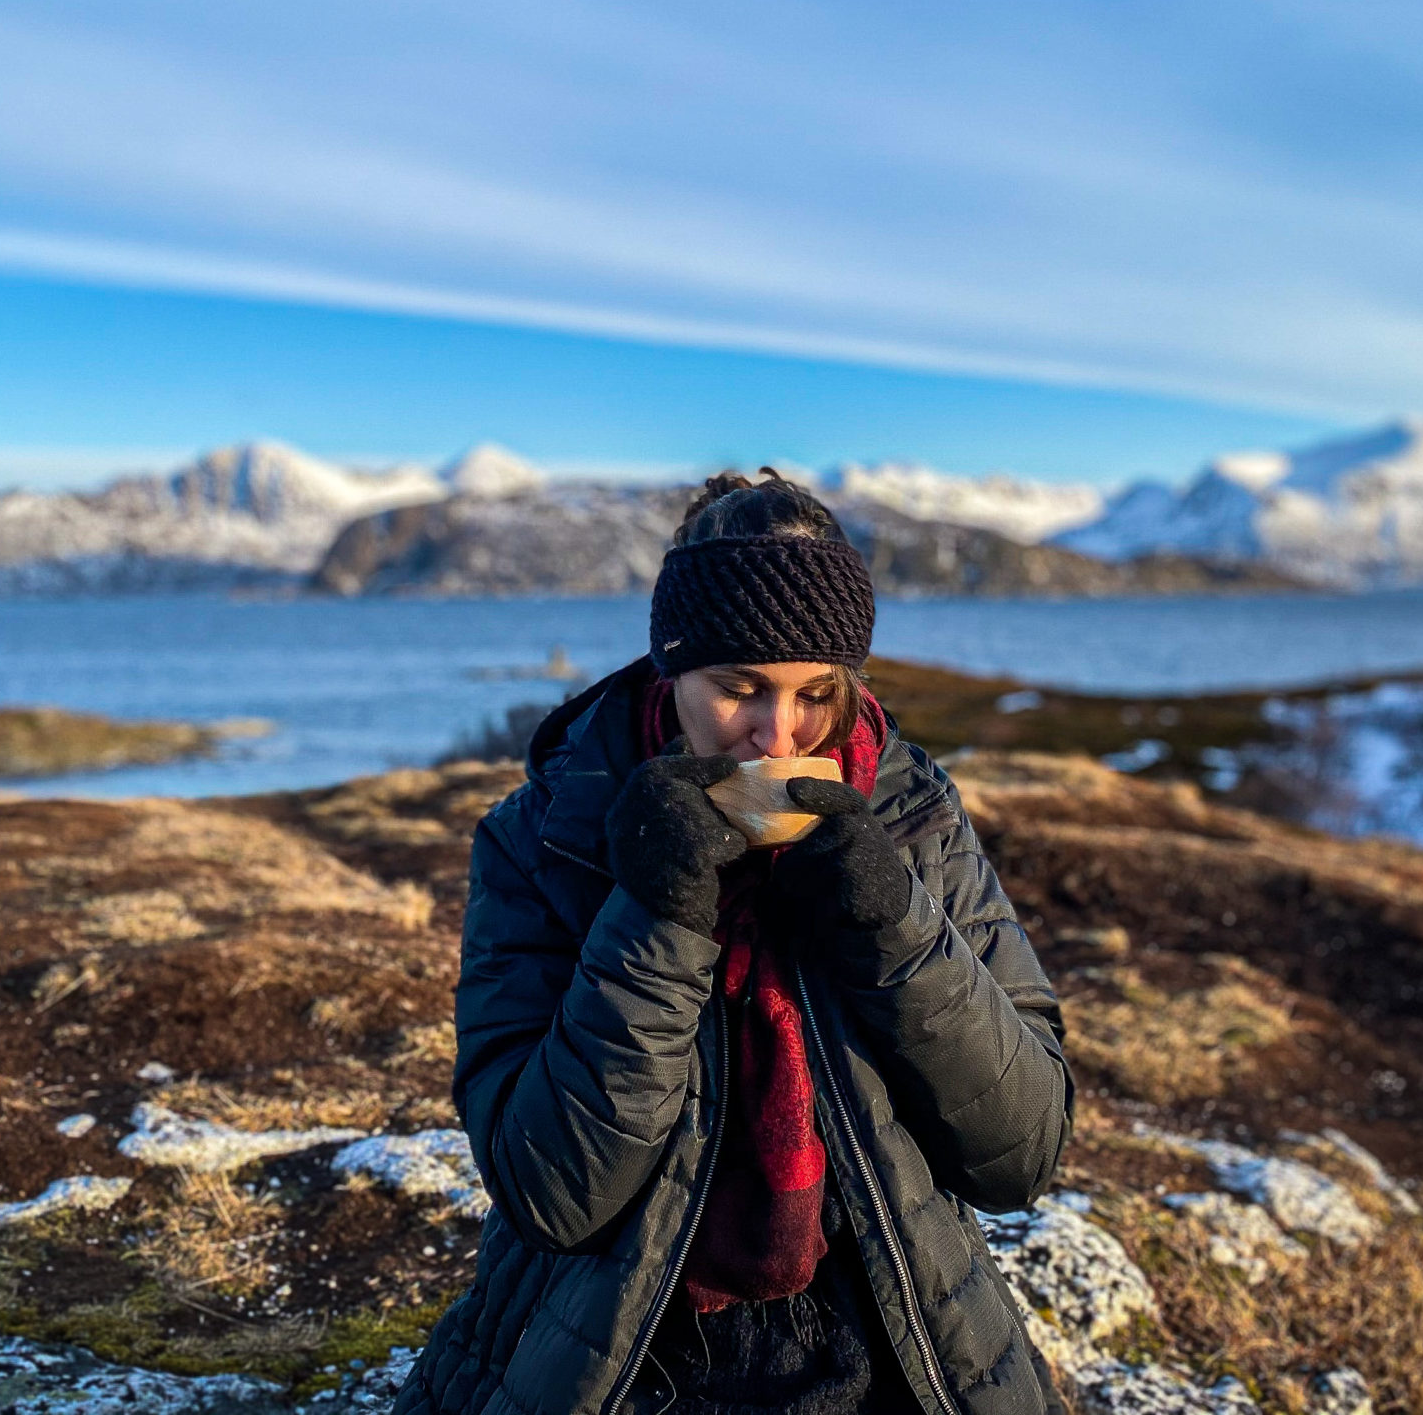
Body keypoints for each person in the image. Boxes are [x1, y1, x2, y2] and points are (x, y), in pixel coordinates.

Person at [401, 471, 1076, 1415]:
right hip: (625, 1353)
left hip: (891, 1330)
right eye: (740, 688)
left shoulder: (914, 817)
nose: (777, 734)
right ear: (672, 669)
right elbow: (550, 1190)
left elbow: (1021, 1151)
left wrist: (892, 923)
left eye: (816, 693)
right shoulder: (542, 835)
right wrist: (657, 912)